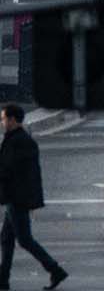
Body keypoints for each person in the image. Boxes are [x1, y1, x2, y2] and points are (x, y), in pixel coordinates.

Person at [0, 105, 65, 290]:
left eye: (4, 118)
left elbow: (8, 169)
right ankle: (3, 280)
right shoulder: (17, 139)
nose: (2, 122)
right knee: (6, 238)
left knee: (24, 240)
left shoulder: (19, 141)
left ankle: (55, 270)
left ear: (12, 120)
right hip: (16, 196)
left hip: (17, 198)